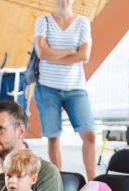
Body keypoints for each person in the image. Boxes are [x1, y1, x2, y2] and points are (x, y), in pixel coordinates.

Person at [33, 0, 97, 179]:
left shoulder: (82, 22)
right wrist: (70, 51)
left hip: (76, 87)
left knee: (90, 135)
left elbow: (84, 55)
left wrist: (53, 54)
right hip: (48, 87)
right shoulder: (44, 21)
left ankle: (93, 183)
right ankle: (58, 182)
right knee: (53, 137)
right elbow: (41, 52)